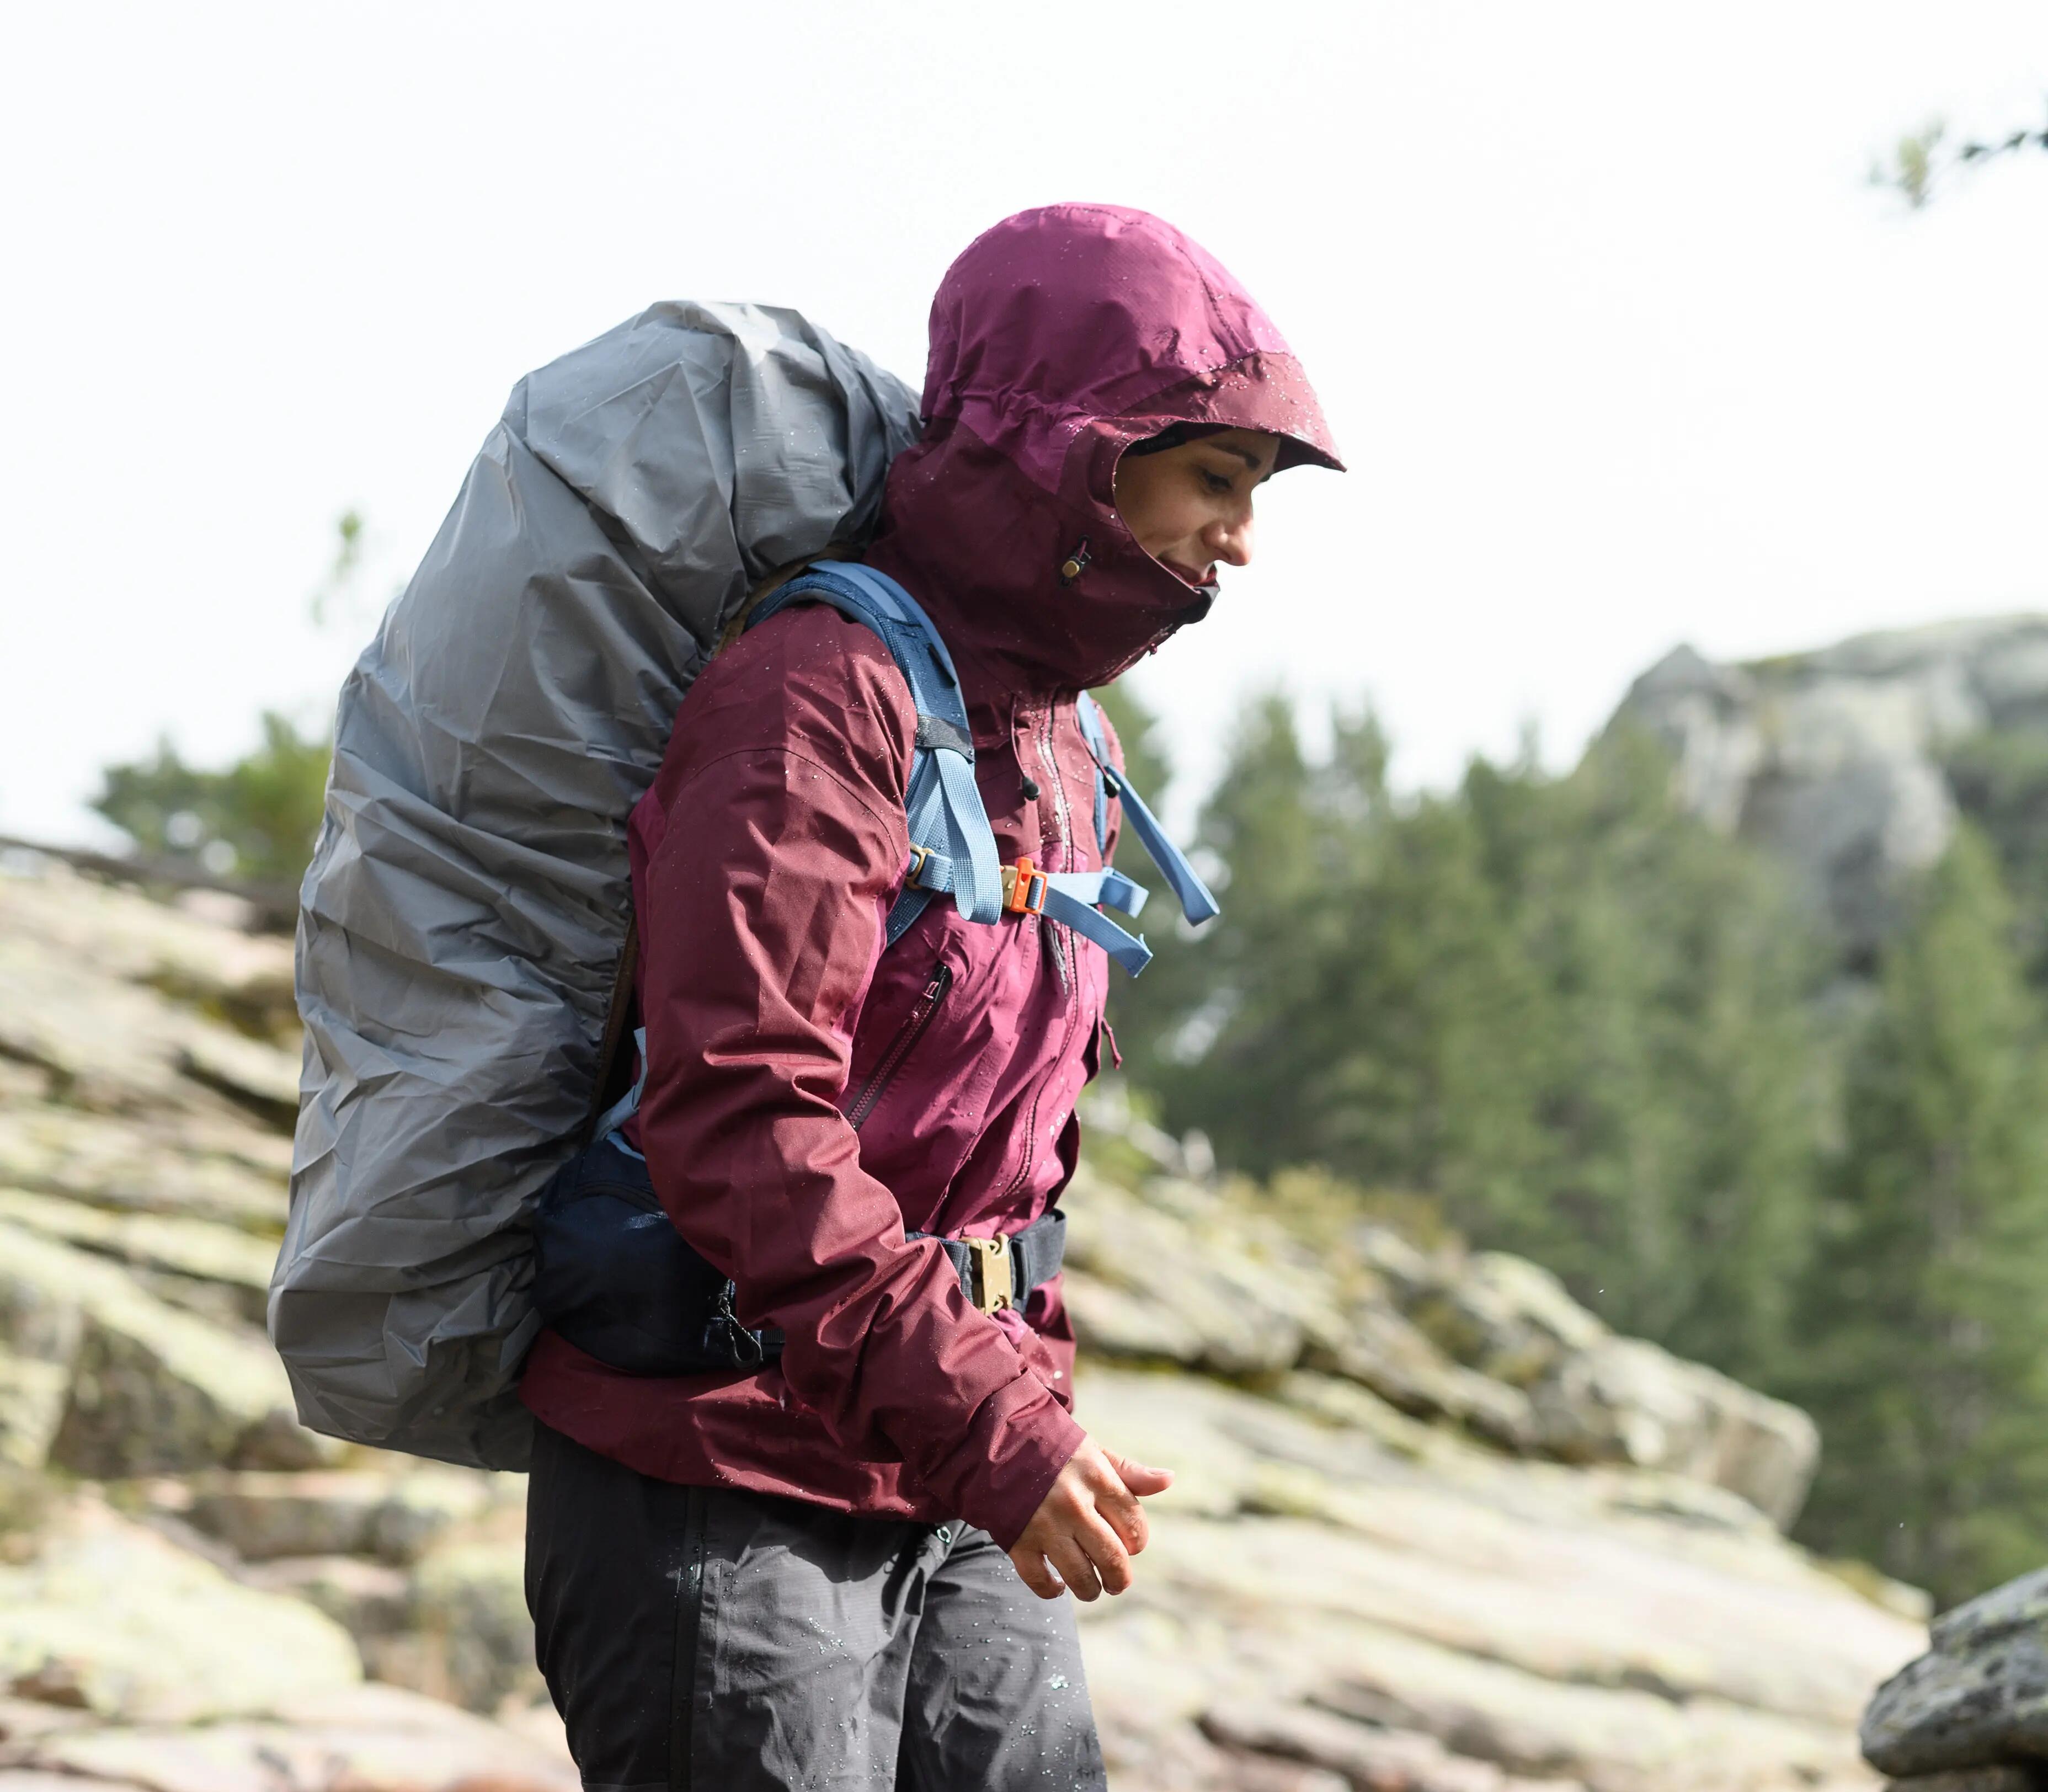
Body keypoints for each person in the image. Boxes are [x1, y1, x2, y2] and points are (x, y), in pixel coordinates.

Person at [519, 202, 1340, 1790]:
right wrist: (995, 1429)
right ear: (1078, 455)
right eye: (1217, 480)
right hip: (716, 1461)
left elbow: (1005, 1159)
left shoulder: (1058, 742)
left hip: (940, 1466)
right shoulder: (817, 695)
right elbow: (740, 1118)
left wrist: (1015, 1407)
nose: (1241, 539)